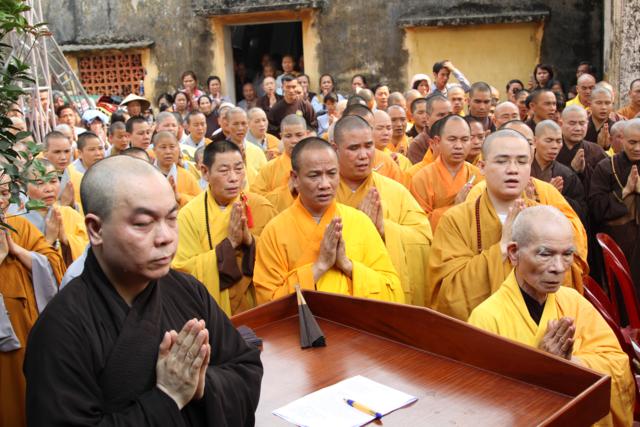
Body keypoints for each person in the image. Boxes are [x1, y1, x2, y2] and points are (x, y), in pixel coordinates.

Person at [23, 156, 263, 426]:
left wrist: (202, 386)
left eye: (171, 218)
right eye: (143, 223)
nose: (166, 237)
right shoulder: (59, 329)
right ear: (96, 229)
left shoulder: (187, 291)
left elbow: (245, 368)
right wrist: (167, 397)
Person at [468, 206, 634, 426]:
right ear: (514, 253)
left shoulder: (573, 301)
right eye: (545, 254)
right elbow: (481, 404)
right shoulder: (486, 318)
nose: (558, 268)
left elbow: (619, 367)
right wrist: (541, 366)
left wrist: (571, 363)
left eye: (567, 255)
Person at [427, 130, 585, 320]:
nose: (513, 169)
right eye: (502, 161)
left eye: (522, 161)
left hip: (543, 325)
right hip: (482, 330)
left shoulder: (548, 219)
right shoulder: (456, 220)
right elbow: (448, 294)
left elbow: (566, 284)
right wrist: (503, 246)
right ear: (482, 167)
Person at [254, 137, 403, 304]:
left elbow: (393, 291)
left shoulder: (360, 222)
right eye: (314, 175)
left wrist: (347, 265)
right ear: (295, 178)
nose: (325, 184)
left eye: (332, 174)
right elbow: (268, 302)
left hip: (353, 320)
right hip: (304, 322)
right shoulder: (275, 231)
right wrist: (320, 266)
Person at [332, 115, 432, 305]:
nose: (364, 155)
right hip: (338, 296)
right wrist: (360, 227)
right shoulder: (323, 194)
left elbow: (424, 239)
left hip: (385, 293)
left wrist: (384, 229)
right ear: (335, 149)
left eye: (368, 146)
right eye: (354, 148)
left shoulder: (396, 191)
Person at [173, 141, 276, 316]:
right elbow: (181, 272)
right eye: (224, 171)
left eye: (239, 169)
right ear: (205, 172)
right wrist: (229, 246)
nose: (234, 178)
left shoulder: (260, 206)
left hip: (257, 310)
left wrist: (250, 242)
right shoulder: (188, 216)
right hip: (213, 314)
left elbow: (277, 259)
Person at [0, 171, 65, 427]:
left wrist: (16, 250)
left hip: (27, 334)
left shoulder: (19, 227)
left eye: (5, 193)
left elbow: (54, 265)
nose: (2, 201)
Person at [590, 118, 640, 291]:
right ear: (622, 140)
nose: (637, 148)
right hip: (619, 244)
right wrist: (625, 192)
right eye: (632, 142)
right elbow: (596, 208)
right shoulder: (606, 167)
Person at [411, 115, 483, 230]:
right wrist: (455, 207)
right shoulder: (422, 178)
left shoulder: (478, 176)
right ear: (437, 141)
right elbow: (419, 226)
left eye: (464, 140)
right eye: (452, 139)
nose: (458, 146)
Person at [24, 159, 89, 264]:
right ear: (24, 187)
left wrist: (65, 240)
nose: (49, 189)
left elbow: (90, 249)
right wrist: (49, 240)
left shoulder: (70, 214)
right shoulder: (18, 222)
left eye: (53, 181)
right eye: (40, 183)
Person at [531, 120, 587, 223]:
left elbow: (581, 212)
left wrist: (557, 197)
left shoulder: (567, 174)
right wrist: (547, 193)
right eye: (549, 140)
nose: (554, 146)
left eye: (558, 141)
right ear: (535, 141)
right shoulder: (523, 170)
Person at [251, 114, 309, 212]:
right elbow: (255, 202)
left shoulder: (319, 164)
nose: (294, 141)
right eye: (288, 136)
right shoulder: (269, 168)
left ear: (306, 134)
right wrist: (287, 189)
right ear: (281, 137)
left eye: (299, 135)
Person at [557, 105, 606, 195]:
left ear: (587, 124)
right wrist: (572, 169)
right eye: (572, 123)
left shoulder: (596, 151)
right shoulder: (553, 150)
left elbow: (604, 185)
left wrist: (584, 170)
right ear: (560, 124)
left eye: (582, 123)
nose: (578, 128)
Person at [153, 131, 201, 208]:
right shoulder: (147, 175)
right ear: (154, 150)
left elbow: (200, 202)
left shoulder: (187, 176)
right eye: (163, 147)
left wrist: (179, 197)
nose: (168, 152)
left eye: (172, 147)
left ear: (178, 149)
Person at [407, 95, 452, 171]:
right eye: (441, 115)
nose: (447, 119)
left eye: (450, 115)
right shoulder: (418, 144)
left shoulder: (459, 139)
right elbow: (420, 174)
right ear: (427, 118)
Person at [68, 132, 105, 210]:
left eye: (100, 148)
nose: (98, 153)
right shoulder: (70, 174)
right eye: (92, 149)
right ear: (80, 153)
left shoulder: (107, 167)